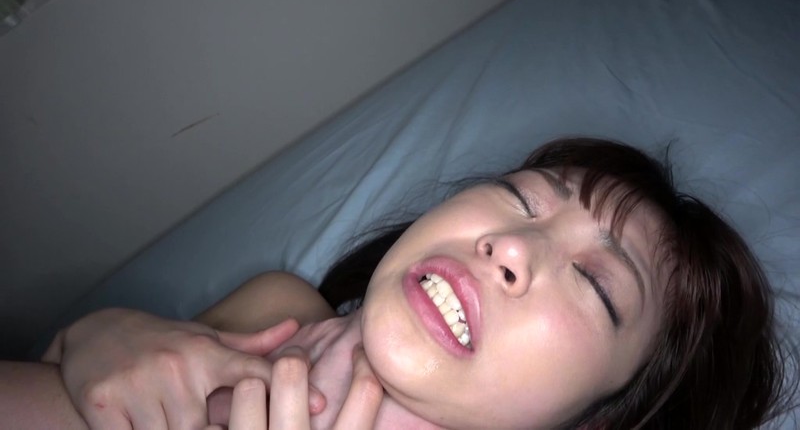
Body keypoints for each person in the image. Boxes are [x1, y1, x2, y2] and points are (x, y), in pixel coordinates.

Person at [0, 137, 794, 429]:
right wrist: (93, 342)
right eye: (522, 198)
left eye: (594, 281)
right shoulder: (278, 309)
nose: (509, 246)